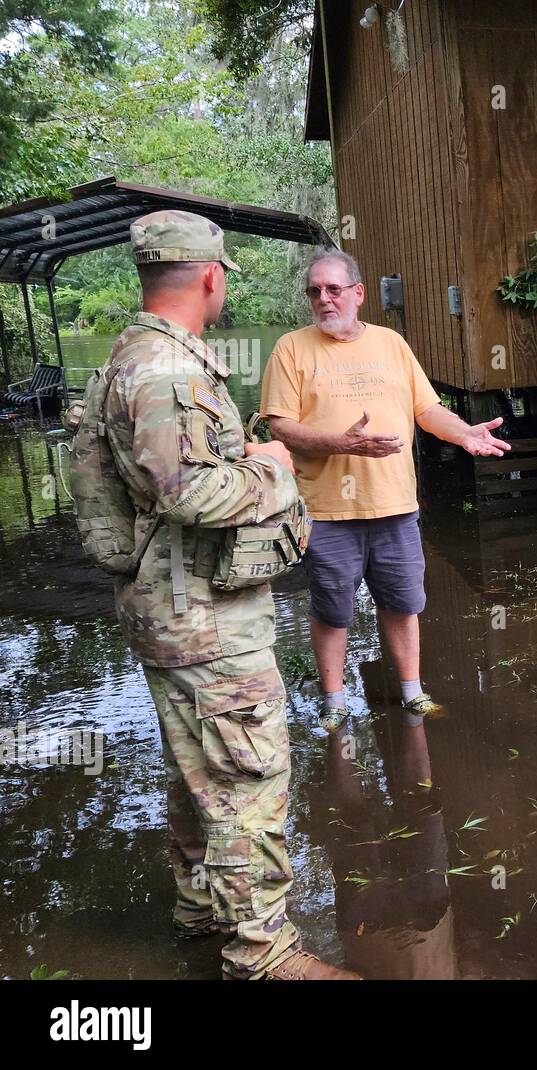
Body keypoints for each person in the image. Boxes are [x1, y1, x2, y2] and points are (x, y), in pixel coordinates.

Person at [88, 211, 356, 979]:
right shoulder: (167, 371)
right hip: (204, 617)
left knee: (197, 766)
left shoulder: (131, 358)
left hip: (171, 609)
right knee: (248, 774)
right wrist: (271, 462)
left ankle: (203, 911)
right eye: (225, 276)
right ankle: (265, 955)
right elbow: (191, 494)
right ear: (210, 276)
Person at [260, 248, 510, 732]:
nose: (324, 300)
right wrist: (340, 443)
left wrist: (462, 433)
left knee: (402, 603)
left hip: (395, 506)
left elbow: (426, 409)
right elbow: (281, 428)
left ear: (358, 294)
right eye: (315, 291)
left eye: (334, 289)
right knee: (333, 610)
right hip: (328, 511)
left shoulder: (392, 344)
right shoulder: (292, 349)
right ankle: (334, 702)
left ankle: (412, 693)